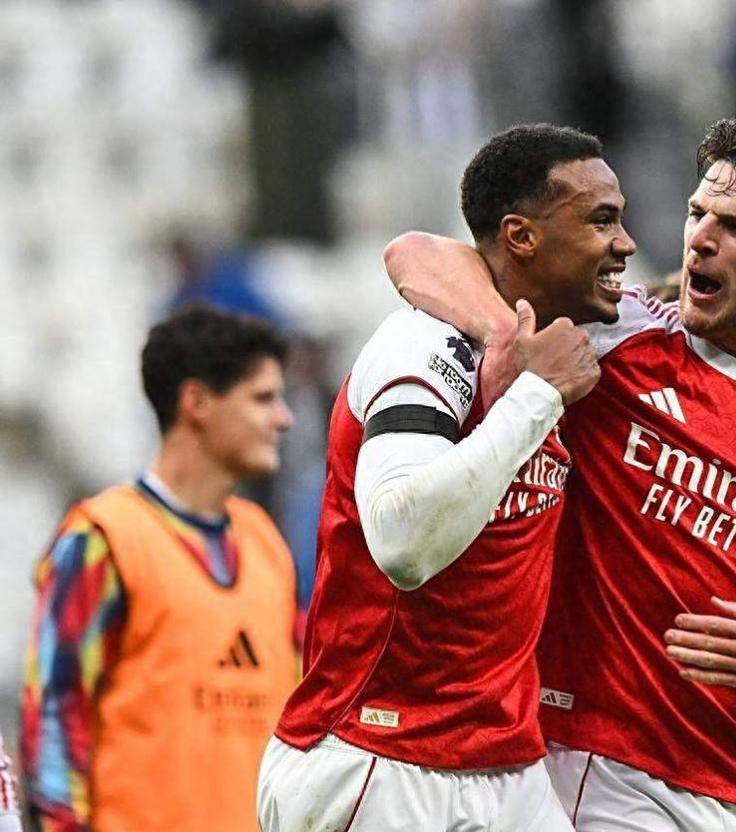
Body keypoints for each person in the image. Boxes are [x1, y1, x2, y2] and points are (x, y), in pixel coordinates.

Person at [385, 113, 736, 831]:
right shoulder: (614, 334)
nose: (701, 239)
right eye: (699, 213)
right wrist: (513, 341)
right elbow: (415, 254)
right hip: (607, 774)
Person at [260, 124, 629, 831]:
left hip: (507, 766)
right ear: (521, 237)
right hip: (382, 755)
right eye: (601, 221)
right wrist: (536, 397)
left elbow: (416, 252)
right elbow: (402, 541)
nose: (625, 244)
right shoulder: (422, 346)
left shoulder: (563, 343)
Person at [20, 305, 300, 832]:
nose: (283, 418)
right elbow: (55, 721)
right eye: (263, 398)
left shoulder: (266, 543)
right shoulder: (103, 538)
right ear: (197, 402)